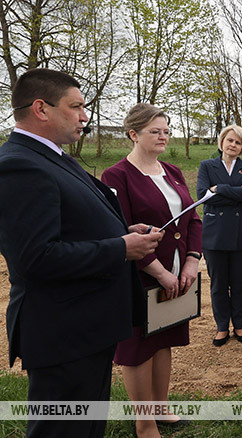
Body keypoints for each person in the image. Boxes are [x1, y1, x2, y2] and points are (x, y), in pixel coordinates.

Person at [0, 69, 161, 437]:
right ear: (41, 108)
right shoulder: (19, 165)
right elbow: (35, 258)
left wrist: (123, 231)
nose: (85, 116)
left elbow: (73, 224)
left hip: (86, 326)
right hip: (63, 332)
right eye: (76, 107)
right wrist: (121, 248)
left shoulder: (52, 157)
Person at [102, 103, 202, 437]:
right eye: (154, 131)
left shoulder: (173, 170)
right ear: (133, 134)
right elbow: (121, 230)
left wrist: (191, 260)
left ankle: (161, 408)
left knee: (164, 341)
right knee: (139, 349)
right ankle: (144, 423)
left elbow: (193, 218)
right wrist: (159, 272)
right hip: (140, 275)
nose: (163, 137)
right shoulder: (117, 176)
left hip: (178, 272)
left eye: (166, 131)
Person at [197, 125, 242, 346]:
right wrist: (234, 191)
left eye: (238, 142)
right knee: (218, 284)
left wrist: (219, 189)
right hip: (215, 235)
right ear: (222, 141)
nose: (233, 145)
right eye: (229, 140)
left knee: (239, 283)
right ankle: (222, 326)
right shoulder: (206, 166)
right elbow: (203, 196)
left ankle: (239, 325)